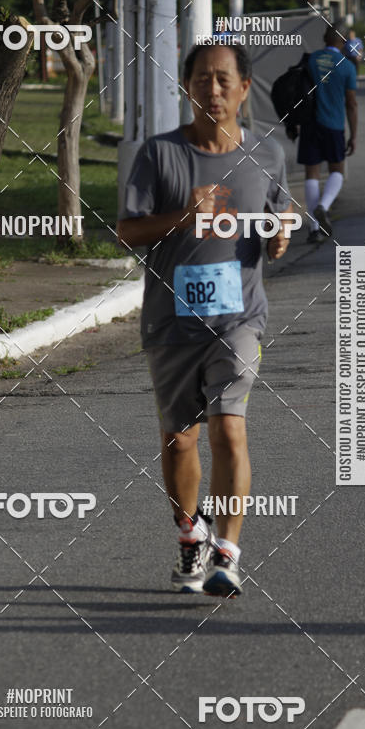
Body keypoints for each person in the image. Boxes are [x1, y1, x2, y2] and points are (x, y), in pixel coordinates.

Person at [117, 42, 294, 597]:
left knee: (229, 427)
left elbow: (277, 217)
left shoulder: (267, 152)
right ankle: (190, 536)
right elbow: (129, 232)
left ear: (244, 88)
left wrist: (280, 232)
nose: (211, 91)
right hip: (172, 321)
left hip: (239, 319)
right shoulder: (159, 154)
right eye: (200, 79)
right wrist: (182, 218)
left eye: (222, 80)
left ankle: (227, 553)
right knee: (180, 440)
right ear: (187, 86)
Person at [298, 25, 358, 244]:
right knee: (337, 171)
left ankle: (314, 228)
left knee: (311, 175)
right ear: (343, 42)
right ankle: (324, 205)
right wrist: (354, 135)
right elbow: (351, 104)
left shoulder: (310, 59)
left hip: (310, 125)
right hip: (333, 125)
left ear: (325, 38)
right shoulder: (347, 66)